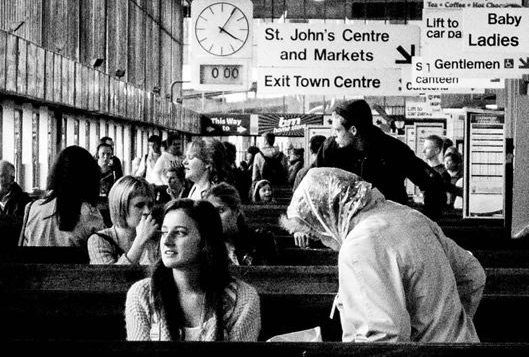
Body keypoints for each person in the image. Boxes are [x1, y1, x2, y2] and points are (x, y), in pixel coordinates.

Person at [280, 167, 486, 343]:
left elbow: (380, 339)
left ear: (325, 219)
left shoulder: (359, 246)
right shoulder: (408, 215)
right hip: (465, 350)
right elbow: (473, 274)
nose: (326, 243)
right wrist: (448, 326)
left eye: (318, 235)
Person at [125, 198, 261, 341]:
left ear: (204, 241)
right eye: (164, 232)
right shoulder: (142, 295)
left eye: (179, 233)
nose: (167, 241)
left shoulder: (243, 299)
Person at [315, 99, 446, 220]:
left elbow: (434, 184)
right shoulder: (331, 149)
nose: (333, 136)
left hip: (388, 227)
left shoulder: (394, 150)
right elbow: (313, 186)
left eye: (338, 130)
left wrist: (425, 221)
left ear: (353, 130)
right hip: (347, 227)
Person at [19, 146, 105, 247]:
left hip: (34, 262)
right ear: (89, 179)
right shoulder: (89, 214)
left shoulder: (32, 208)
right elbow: (102, 253)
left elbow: (23, 248)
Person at [88, 176, 159, 265]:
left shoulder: (156, 238)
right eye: (140, 205)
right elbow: (111, 277)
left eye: (150, 205)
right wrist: (140, 240)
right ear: (121, 207)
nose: (147, 211)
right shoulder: (99, 240)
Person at [205, 182, 278, 266]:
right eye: (211, 212)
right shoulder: (206, 250)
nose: (214, 217)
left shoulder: (262, 241)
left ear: (236, 211)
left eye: (220, 210)